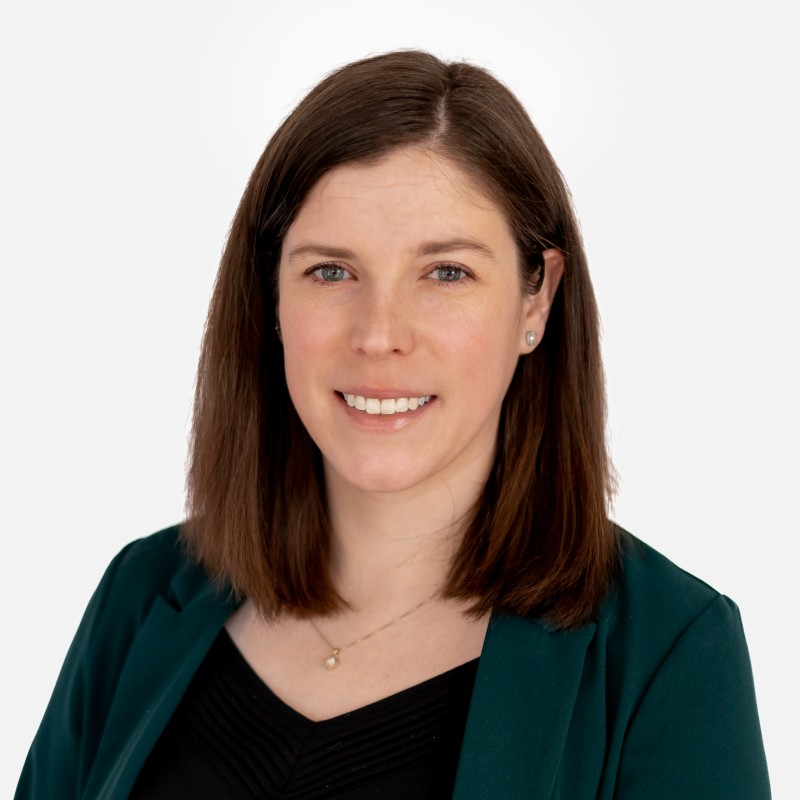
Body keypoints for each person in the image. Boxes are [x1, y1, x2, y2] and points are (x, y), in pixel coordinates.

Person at [16, 50, 770, 799]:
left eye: (446, 272)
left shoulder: (668, 654)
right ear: (271, 295)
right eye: (331, 271)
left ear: (537, 300)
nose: (379, 335)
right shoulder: (143, 593)